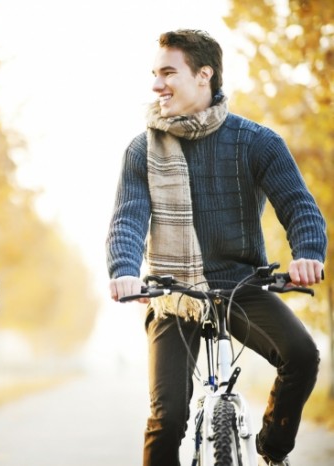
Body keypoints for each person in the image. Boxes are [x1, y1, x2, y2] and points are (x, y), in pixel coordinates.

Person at [106, 29, 326, 466]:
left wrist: (308, 254)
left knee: (302, 355)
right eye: (154, 73)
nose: (156, 85)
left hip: (241, 284)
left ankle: (271, 450)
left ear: (204, 74)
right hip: (171, 294)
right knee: (167, 419)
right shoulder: (142, 150)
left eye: (168, 72)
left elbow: (299, 206)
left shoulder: (256, 142)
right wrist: (123, 268)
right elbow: (128, 219)